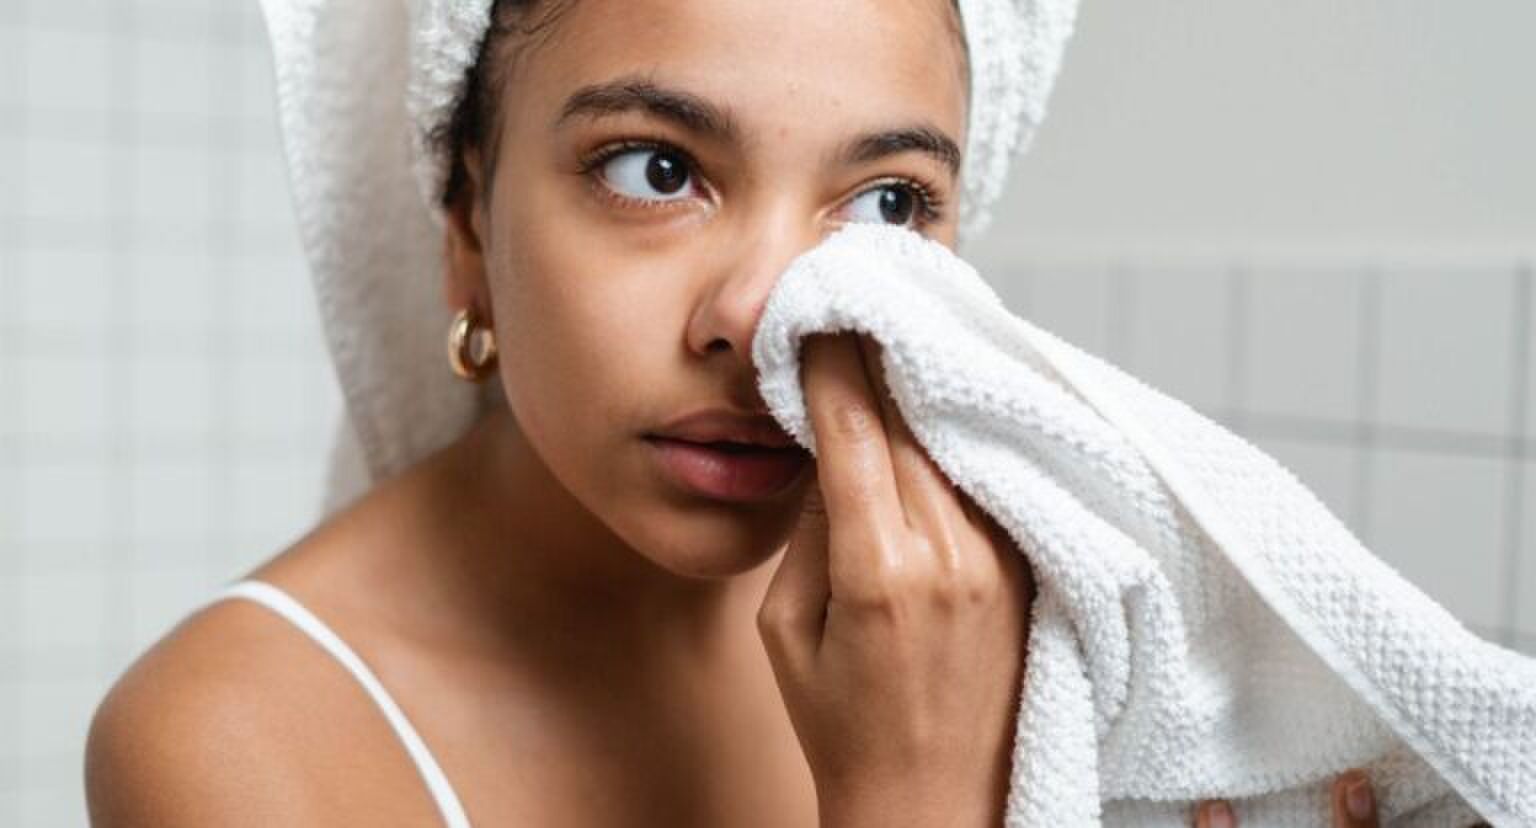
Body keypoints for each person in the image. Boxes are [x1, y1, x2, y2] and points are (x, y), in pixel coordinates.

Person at [83, 1, 1390, 825]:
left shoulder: (981, 624)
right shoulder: (235, 742)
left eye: (886, 203)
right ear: (468, 222)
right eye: (658, 170)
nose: (769, 319)